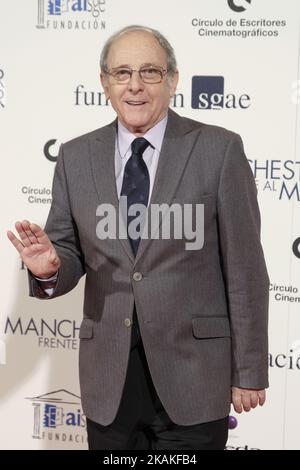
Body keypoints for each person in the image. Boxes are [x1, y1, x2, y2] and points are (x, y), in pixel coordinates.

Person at [7, 25, 269, 450]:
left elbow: (246, 270)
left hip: (195, 376)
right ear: (104, 83)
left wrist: (250, 370)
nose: (135, 86)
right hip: (109, 379)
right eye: (121, 73)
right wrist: (51, 267)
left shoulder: (218, 150)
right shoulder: (75, 157)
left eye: (149, 71)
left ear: (172, 80)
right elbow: (68, 251)